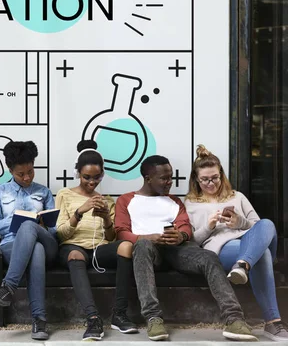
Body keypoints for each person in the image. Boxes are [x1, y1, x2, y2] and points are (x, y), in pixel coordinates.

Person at [115, 155, 256, 342]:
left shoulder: (175, 201)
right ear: (148, 178)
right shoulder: (126, 200)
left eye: (171, 177)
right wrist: (148, 237)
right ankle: (153, 318)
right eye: (164, 178)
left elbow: (185, 227)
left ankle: (234, 319)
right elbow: (121, 232)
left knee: (208, 257)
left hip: (177, 249)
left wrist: (180, 235)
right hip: (148, 250)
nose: (169, 182)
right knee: (141, 246)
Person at [185, 145, 288, 341]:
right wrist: (209, 226)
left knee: (267, 223)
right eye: (204, 179)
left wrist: (239, 222)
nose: (210, 183)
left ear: (221, 174)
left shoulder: (237, 196)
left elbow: (260, 228)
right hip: (220, 248)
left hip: (249, 242)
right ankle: (273, 323)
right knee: (263, 254)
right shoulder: (190, 203)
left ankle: (243, 265)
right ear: (196, 180)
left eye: (214, 177)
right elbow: (192, 242)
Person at [55, 140, 137, 340]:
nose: (92, 182)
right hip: (73, 247)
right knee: (75, 254)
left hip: (99, 249)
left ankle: (119, 314)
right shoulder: (64, 194)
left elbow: (111, 238)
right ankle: (93, 318)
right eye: (86, 177)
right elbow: (60, 234)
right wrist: (79, 212)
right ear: (77, 174)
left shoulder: (107, 200)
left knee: (126, 246)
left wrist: (107, 219)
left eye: (97, 177)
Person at [0, 141, 58, 341]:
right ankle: (39, 320)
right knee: (34, 249)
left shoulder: (44, 192)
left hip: (47, 243)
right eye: (21, 174)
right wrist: (18, 218)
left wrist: (38, 224)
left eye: (30, 171)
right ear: (10, 170)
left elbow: (54, 231)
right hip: (13, 245)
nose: (27, 177)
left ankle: (8, 287)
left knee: (31, 231)